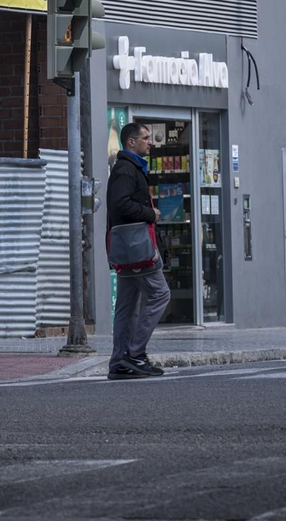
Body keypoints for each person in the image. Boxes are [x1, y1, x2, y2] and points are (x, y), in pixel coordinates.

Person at [106, 122, 168, 380]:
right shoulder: (126, 170)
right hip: (136, 248)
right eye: (145, 138)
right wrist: (150, 213)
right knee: (160, 294)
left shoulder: (129, 168)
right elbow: (120, 204)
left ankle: (120, 361)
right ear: (131, 142)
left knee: (127, 304)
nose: (149, 142)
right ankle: (135, 354)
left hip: (128, 248)